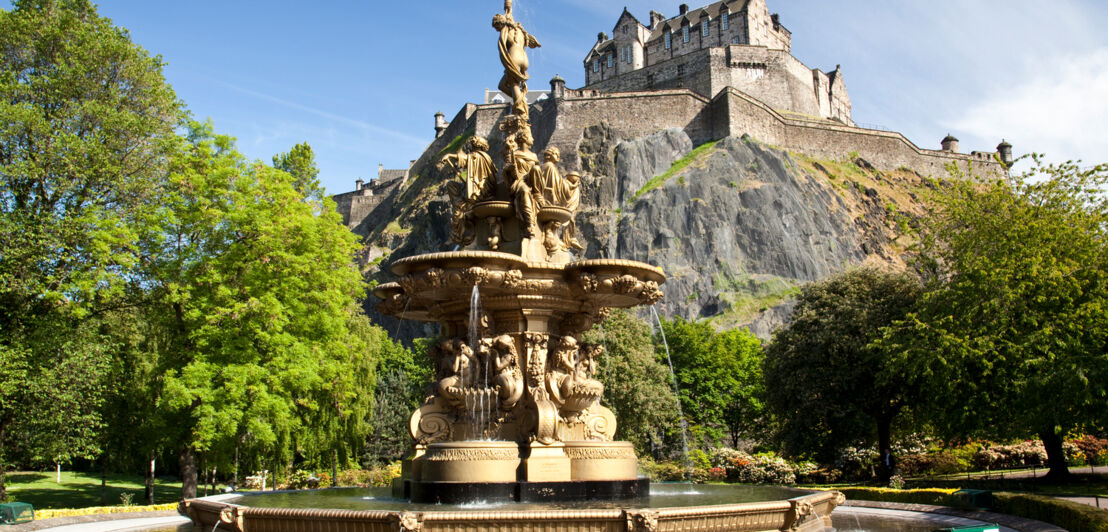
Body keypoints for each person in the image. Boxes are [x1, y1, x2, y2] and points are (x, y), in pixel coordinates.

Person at [493, 0, 540, 118]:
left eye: (496, 27)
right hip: (524, 59)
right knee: (503, 85)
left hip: (515, 57)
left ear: (500, 23)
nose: (497, 30)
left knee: (511, 83)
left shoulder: (506, 30)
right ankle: (521, 101)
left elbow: (507, 14)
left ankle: (520, 109)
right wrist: (507, 3)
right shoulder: (518, 29)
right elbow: (509, 10)